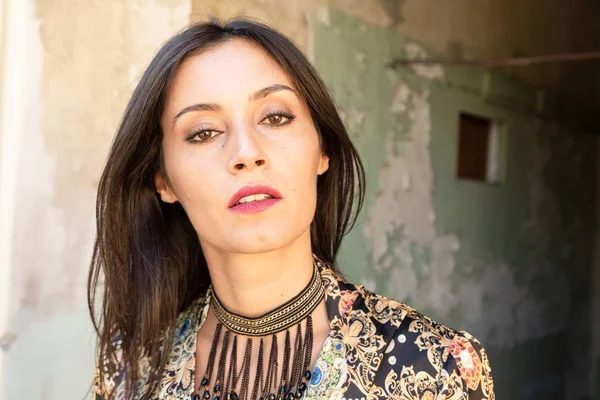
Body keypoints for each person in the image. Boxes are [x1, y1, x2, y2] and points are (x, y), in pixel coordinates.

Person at [89, 18, 494, 400]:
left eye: (276, 117)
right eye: (204, 132)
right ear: (164, 181)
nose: (246, 153)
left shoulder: (434, 369)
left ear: (323, 151)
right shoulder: (131, 369)